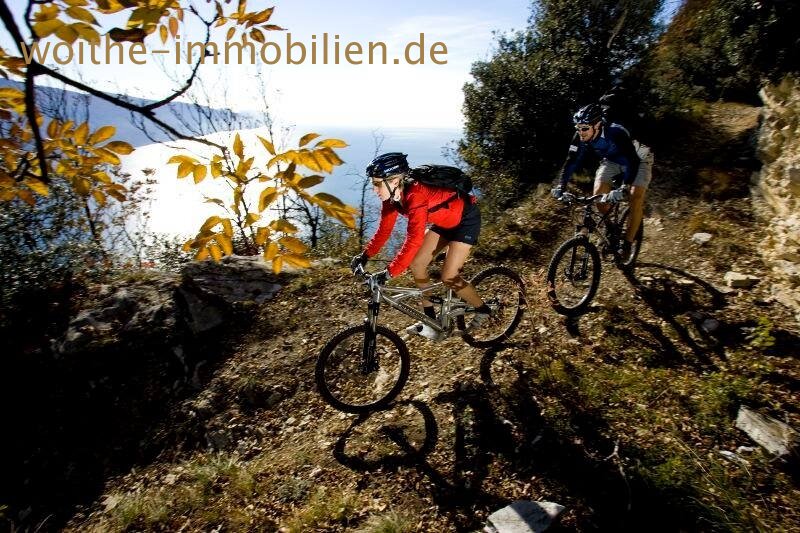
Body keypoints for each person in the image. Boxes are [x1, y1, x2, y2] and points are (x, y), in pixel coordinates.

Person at [350, 152, 491, 337]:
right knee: (417, 264)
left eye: (377, 184)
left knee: (449, 277)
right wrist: (365, 255)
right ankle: (431, 320)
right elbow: (384, 231)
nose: (374, 190)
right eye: (373, 184)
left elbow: (414, 239)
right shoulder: (392, 197)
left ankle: (483, 309)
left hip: (466, 220)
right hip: (444, 223)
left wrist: (390, 272)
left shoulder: (415, 194)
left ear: (394, 181)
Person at [552, 103, 654, 258]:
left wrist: (624, 187)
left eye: (584, 128)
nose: (581, 133)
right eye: (578, 128)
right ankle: (611, 229)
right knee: (598, 197)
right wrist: (561, 185)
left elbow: (632, 160)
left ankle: (627, 244)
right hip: (612, 160)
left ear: (597, 125)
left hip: (638, 159)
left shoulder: (616, 132)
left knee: (636, 197)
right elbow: (571, 160)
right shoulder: (580, 136)